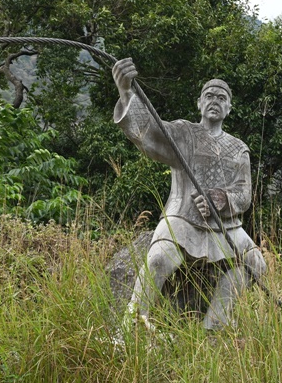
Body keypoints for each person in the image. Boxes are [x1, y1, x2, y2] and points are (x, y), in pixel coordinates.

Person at [112, 57, 266, 329]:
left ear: (229, 108)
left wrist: (222, 199)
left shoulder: (239, 148)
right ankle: (132, 323)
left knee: (256, 263)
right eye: (209, 95)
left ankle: (217, 322)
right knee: (159, 259)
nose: (215, 100)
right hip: (183, 218)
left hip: (226, 226)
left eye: (221, 97)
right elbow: (150, 133)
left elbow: (244, 193)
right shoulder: (183, 133)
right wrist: (126, 92)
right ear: (199, 103)